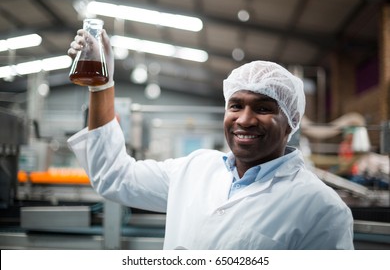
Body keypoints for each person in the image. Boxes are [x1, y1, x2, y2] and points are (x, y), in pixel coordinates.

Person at [67, 28, 354, 250]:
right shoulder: (195, 169)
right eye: (236, 105)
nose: (244, 119)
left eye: (264, 108)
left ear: (291, 122)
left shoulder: (321, 208)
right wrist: (102, 85)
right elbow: (114, 177)